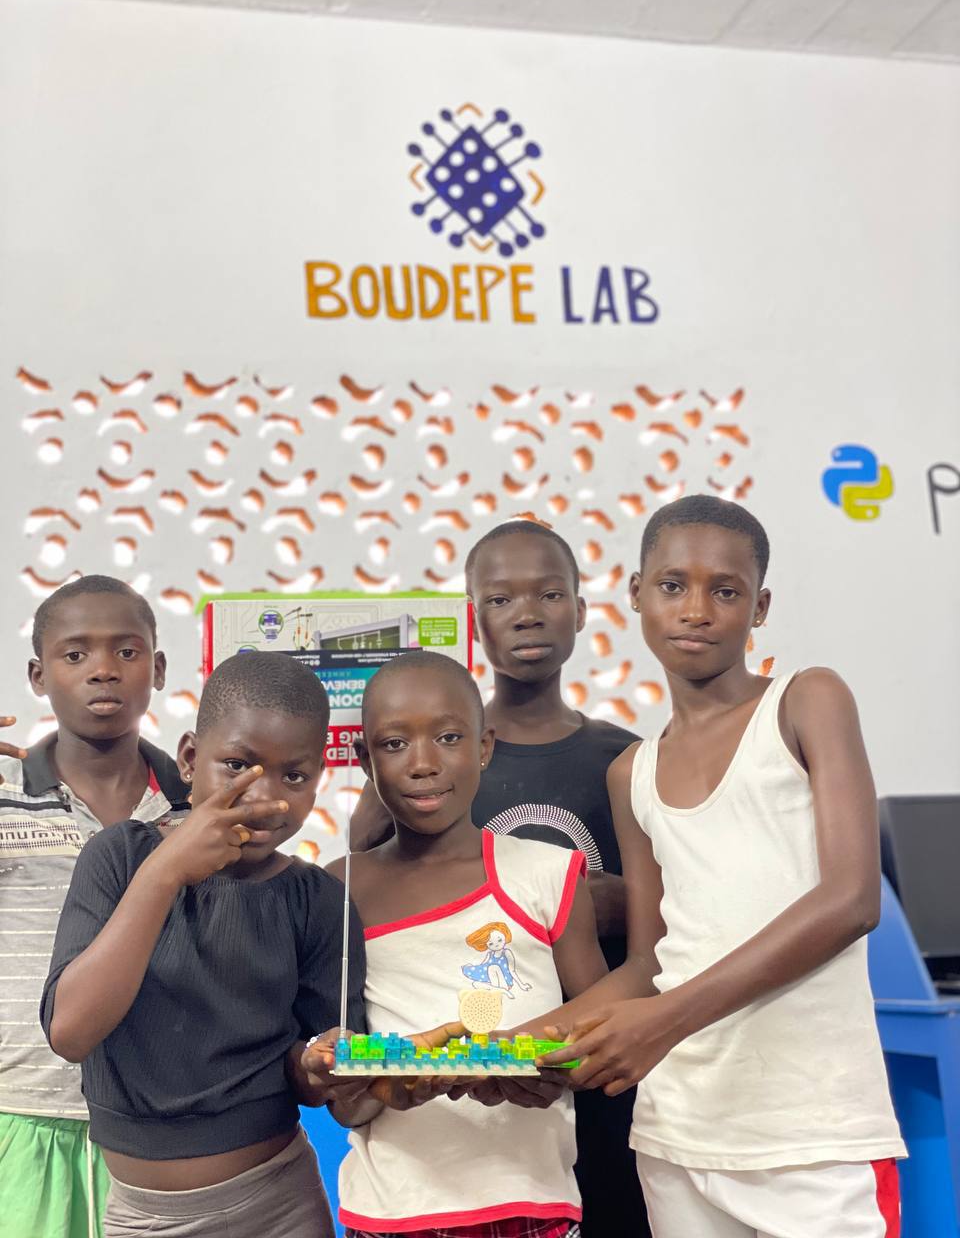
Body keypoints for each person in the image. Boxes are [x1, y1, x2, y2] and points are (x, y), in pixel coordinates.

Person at [538, 495, 906, 1238]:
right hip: (677, 1138)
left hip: (816, 1139)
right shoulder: (632, 773)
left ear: (760, 607)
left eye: (726, 591)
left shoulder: (807, 702)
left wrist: (664, 1021)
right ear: (637, 594)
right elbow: (650, 964)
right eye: (673, 585)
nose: (696, 610)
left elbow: (851, 899)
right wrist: (496, 1048)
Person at [351, 519, 650, 1237]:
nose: (527, 614)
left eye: (549, 594)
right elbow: (371, 887)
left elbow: (660, 923)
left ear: (582, 608)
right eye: (500, 598)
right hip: (442, 1129)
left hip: (585, 1069)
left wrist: (595, 902)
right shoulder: (423, 764)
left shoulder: (625, 758)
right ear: (473, 616)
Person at [40, 651, 366, 1238]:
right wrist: (166, 872)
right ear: (190, 758)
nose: (265, 797)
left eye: (294, 777)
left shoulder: (318, 900)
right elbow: (71, 1033)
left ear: (319, 778)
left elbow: (315, 1077)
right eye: (238, 765)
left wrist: (321, 1067)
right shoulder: (120, 858)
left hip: (281, 1205)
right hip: (142, 1216)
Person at [320, 649, 608, 1237]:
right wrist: (381, 1083)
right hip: (391, 1210)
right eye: (394, 744)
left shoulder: (549, 872)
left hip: (533, 1202)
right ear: (365, 759)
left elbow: (600, 1029)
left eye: (449, 738)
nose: (423, 764)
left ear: (484, 747)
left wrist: (549, 1065)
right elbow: (345, 1096)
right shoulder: (339, 888)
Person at [0, 575, 188, 1238]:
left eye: (126, 652)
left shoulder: (196, 806)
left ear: (157, 669)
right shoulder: (3, 795)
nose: (103, 669)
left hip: (164, 1127)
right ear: (38, 675)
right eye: (75, 654)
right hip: (21, 1117)